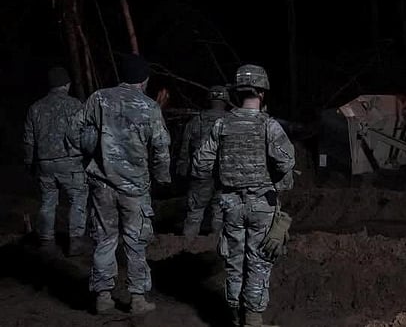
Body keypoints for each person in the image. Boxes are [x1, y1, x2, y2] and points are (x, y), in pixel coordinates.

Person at [193, 64, 295, 327]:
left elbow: (200, 164)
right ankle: (253, 317)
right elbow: (286, 161)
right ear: (262, 92)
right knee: (259, 260)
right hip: (261, 204)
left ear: (237, 93)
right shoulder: (269, 126)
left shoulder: (221, 124)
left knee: (234, 260)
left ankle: (234, 313)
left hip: (230, 205)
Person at [76, 53, 172, 315]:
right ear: (144, 80)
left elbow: (75, 133)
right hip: (135, 188)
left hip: (102, 184)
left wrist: (94, 147)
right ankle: (138, 299)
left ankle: (103, 297)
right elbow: (161, 147)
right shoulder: (149, 106)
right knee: (135, 240)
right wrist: (162, 178)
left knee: (105, 238)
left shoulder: (98, 98)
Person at [22, 66, 88, 256]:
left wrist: (30, 163)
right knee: (78, 199)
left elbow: (28, 140)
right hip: (72, 162)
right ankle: (75, 240)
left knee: (48, 201)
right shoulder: (76, 105)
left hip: (45, 164)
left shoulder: (35, 108)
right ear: (66, 84)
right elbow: (86, 135)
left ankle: (46, 241)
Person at [180, 85, 229, 238]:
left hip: (200, 173)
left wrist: (183, 168)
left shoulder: (197, 120)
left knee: (194, 212)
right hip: (224, 174)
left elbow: (184, 148)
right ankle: (216, 250)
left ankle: (186, 247)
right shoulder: (231, 121)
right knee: (219, 213)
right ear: (226, 99)